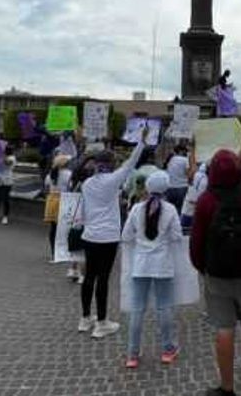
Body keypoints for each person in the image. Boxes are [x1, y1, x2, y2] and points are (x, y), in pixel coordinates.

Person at [190, 148, 241, 396]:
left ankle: (226, 388)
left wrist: (202, 267)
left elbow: (196, 241)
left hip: (217, 274)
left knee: (224, 328)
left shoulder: (206, 200)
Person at [77, 129, 147, 339]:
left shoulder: (88, 183)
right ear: (110, 163)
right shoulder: (112, 180)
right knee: (103, 278)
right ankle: (101, 322)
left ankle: (85, 318)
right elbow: (131, 163)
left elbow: (85, 210)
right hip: (107, 237)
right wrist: (142, 142)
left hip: (89, 235)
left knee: (89, 276)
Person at [121, 171, 183, 368]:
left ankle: (132, 353)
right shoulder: (171, 209)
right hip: (163, 264)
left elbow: (126, 236)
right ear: (166, 188)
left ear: (147, 187)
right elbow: (177, 237)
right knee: (164, 307)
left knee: (137, 309)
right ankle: (167, 349)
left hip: (140, 264)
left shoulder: (137, 208)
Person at [44, 154, 73, 259]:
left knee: (53, 228)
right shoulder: (69, 174)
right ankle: (63, 251)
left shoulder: (51, 174)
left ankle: (54, 253)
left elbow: (46, 188)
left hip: (51, 201)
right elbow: (71, 188)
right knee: (64, 229)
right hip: (64, 200)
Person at [165, 144, 192, 212]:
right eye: (185, 151)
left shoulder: (171, 159)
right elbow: (188, 174)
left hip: (170, 188)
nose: (186, 153)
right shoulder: (185, 160)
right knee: (180, 209)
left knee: (170, 210)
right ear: (181, 151)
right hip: (181, 187)